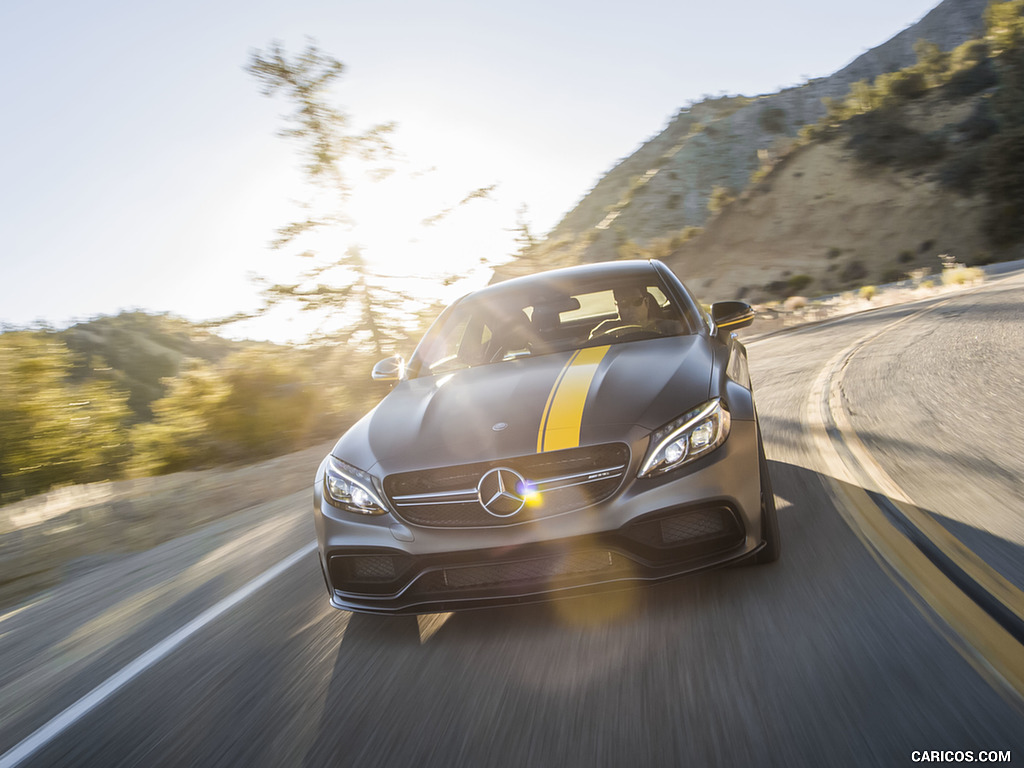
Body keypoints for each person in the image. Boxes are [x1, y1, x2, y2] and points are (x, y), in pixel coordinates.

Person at [589, 286, 663, 338]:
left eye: (636, 302)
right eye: (624, 303)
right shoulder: (604, 329)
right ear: (617, 307)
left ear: (647, 302)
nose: (631, 308)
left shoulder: (667, 328)